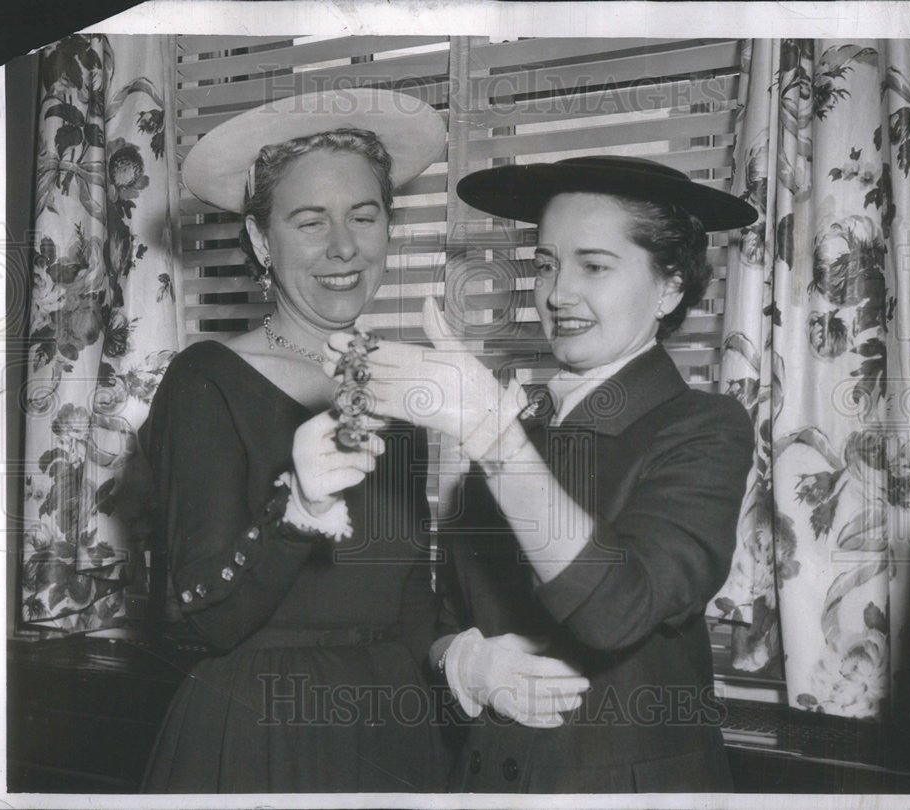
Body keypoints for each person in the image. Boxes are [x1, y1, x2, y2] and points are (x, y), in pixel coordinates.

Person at [324, 156, 758, 792]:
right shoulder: (518, 429)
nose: (557, 294)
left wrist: (490, 436)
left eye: (595, 266)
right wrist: (461, 664)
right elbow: (443, 620)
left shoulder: (702, 426)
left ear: (669, 287)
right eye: (547, 264)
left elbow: (619, 608)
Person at [139, 89, 449, 792]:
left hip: (391, 730)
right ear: (259, 242)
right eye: (310, 222)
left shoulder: (396, 383)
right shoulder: (206, 382)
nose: (343, 247)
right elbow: (207, 619)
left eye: (364, 217)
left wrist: (463, 658)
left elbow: (407, 601)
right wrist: (297, 506)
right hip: (261, 735)